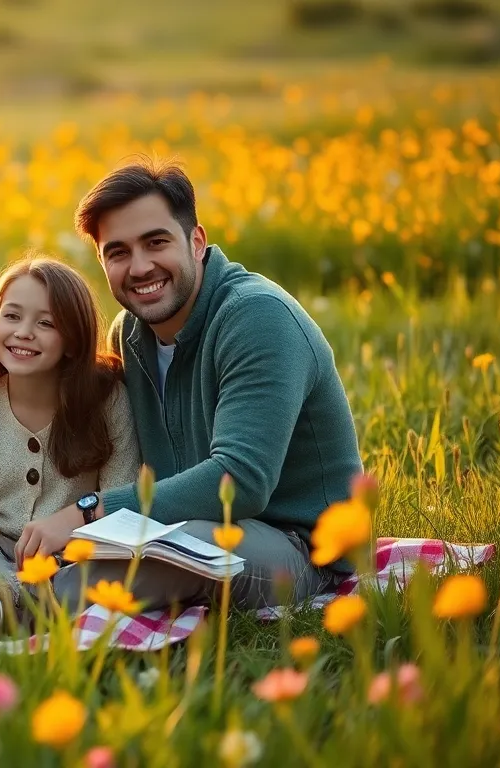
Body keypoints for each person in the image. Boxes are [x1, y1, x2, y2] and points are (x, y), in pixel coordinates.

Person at [20, 160, 363, 610]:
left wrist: (87, 511)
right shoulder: (128, 334)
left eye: (156, 242)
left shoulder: (257, 318)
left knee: (132, 567)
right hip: (182, 525)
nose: (140, 267)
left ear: (196, 242)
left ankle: (18, 613)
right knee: (117, 551)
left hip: (302, 547)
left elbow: (240, 481)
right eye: (118, 252)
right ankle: (8, 593)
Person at [0, 258, 137, 638]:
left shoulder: (107, 400)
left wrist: (71, 528)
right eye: (12, 316)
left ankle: (21, 603)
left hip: (72, 555)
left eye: (45, 323)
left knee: (114, 566)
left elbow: (120, 498)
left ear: (72, 340)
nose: (23, 332)